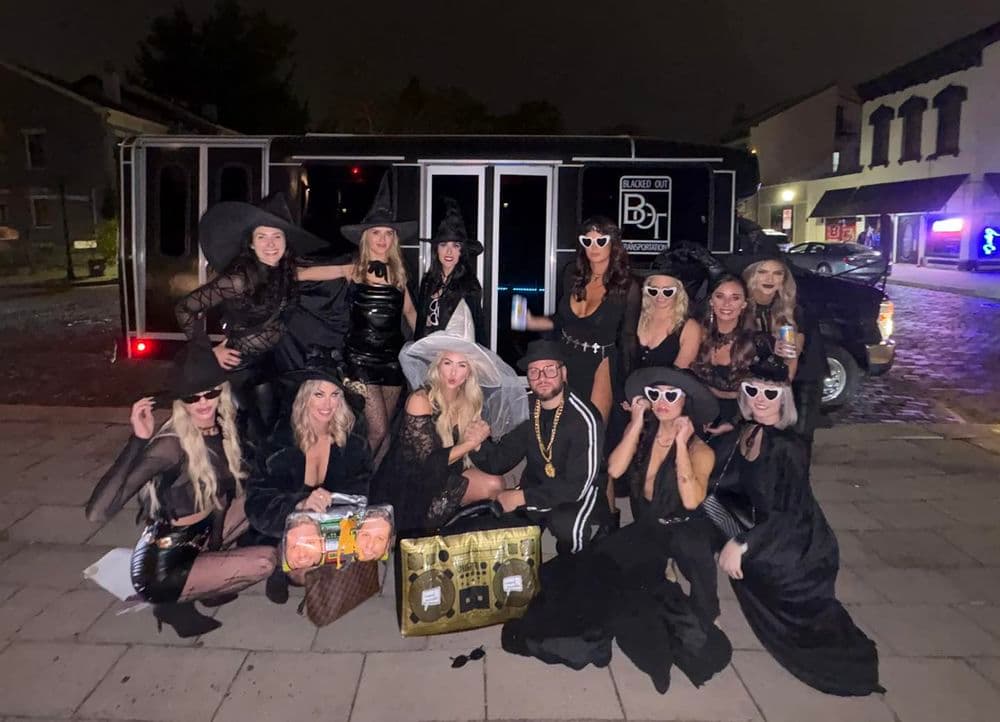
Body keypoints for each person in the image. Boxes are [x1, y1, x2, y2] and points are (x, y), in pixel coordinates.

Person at [710, 354, 883, 696]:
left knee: (801, 621)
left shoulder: (787, 447)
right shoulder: (749, 430)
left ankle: (848, 667)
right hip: (769, 528)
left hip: (797, 544)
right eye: (752, 390)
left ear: (784, 397)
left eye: (770, 393)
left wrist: (741, 543)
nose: (760, 398)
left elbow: (790, 512)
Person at [84, 338, 276, 638]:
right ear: (179, 401)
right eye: (191, 398)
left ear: (221, 391)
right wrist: (138, 440)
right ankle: (170, 602)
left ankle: (209, 584)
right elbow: (97, 513)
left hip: (203, 538)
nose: (202, 404)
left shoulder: (223, 426)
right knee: (264, 561)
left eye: (210, 392)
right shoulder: (171, 445)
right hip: (164, 564)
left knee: (262, 497)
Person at [175, 193, 332, 444]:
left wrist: (349, 270)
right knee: (260, 433)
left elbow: (311, 272)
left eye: (277, 236)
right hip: (243, 366)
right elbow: (185, 308)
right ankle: (251, 478)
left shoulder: (281, 271)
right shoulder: (238, 279)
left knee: (272, 426)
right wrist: (207, 351)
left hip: (271, 359)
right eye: (262, 236)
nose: (270, 244)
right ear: (251, 243)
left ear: (286, 242)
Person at [374, 301, 528, 534]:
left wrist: (480, 442)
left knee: (497, 483)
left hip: (447, 473)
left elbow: (484, 455)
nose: (453, 373)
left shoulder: (470, 401)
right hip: (414, 486)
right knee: (493, 490)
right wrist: (469, 444)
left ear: (469, 372)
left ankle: (482, 539)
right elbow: (425, 465)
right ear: (438, 365)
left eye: (461, 365)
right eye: (448, 363)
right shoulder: (421, 400)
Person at [244, 367, 372, 602]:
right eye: (319, 394)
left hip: (331, 527)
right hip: (281, 527)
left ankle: (310, 566)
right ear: (305, 398)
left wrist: (333, 510)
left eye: (335, 395)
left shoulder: (353, 444)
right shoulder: (279, 441)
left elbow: (360, 495)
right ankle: (281, 563)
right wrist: (300, 504)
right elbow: (256, 503)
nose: (327, 404)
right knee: (302, 568)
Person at [470, 340, 604, 555]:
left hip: (577, 493)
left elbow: (577, 487)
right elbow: (500, 461)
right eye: (534, 371)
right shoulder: (527, 406)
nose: (542, 378)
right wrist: (476, 444)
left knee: (569, 531)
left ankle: (575, 566)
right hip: (535, 485)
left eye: (550, 370)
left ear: (564, 373)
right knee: (507, 535)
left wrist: (521, 497)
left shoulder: (584, 418)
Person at [608, 367, 719, 624]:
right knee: (612, 571)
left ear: (686, 402)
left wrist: (681, 443)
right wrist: (635, 423)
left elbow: (691, 501)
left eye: (671, 396)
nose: (661, 402)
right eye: (654, 395)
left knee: (695, 556)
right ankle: (662, 564)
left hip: (685, 526)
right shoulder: (644, 431)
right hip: (648, 525)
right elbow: (614, 469)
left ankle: (709, 613)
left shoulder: (700, 450)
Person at [521, 217, 639, 424]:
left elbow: (629, 338)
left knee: (592, 426)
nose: (593, 247)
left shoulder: (626, 286)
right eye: (587, 241)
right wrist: (532, 322)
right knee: (559, 424)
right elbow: (562, 321)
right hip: (565, 354)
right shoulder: (572, 275)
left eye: (600, 241)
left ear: (613, 244)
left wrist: (631, 386)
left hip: (600, 359)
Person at [742, 255, 827, 442]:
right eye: (762, 272)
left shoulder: (794, 308)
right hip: (757, 381)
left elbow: (793, 355)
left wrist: (782, 389)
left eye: (777, 273)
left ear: (784, 279)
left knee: (796, 439)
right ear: (750, 275)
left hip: (801, 377)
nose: (769, 279)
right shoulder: (739, 304)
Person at [690, 274, 759, 437]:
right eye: (720, 296)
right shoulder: (695, 334)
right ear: (711, 301)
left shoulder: (757, 342)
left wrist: (734, 422)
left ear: (744, 304)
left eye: (735, 298)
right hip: (699, 412)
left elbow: (764, 396)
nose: (727, 304)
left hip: (743, 417)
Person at [414, 197, 485, 343]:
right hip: (430, 353)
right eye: (443, 245)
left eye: (456, 246)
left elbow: (478, 328)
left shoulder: (469, 285)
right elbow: (420, 325)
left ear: (462, 251)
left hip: (457, 357)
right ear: (436, 250)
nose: (449, 251)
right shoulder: (428, 281)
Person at [633, 263, 702, 370]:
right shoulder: (634, 318)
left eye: (667, 291)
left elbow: (679, 375)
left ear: (679, 292)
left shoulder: (690, 328)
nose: (660, 296)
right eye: (653, 290)